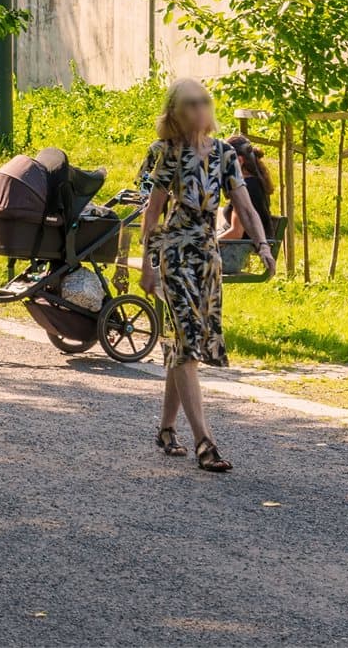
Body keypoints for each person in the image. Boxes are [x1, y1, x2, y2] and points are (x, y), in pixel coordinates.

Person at [138, 78, 273, 473]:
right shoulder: (167, 154)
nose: (200, 109)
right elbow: (152, 213)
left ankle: (166, 429)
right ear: (175, 113)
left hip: (208, 255)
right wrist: (146, 263)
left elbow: (244, 206)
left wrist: (262, 245)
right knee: (189, 341)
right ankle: (204, 442)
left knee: (186, 344)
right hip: (175, 253)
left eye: (205, 102)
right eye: (191, 103)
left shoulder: (225, 154)